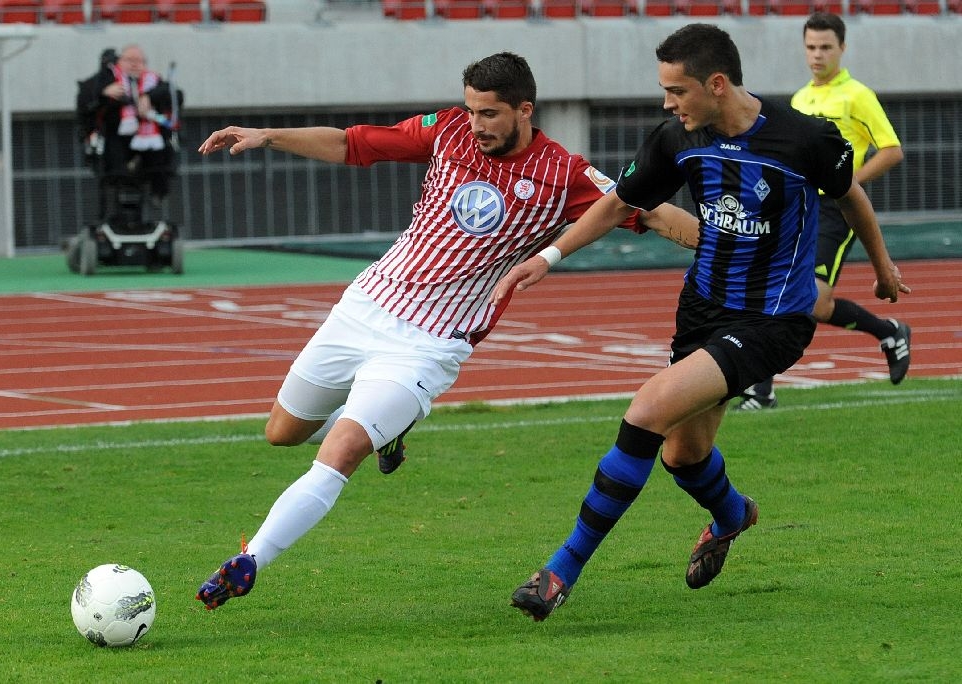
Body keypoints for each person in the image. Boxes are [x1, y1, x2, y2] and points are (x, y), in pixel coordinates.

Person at [192, 51, 700, 611]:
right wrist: (268, 135)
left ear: (524, 109)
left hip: (430, 344)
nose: (476, 124)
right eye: (471, 109)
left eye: (489, 114)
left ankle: (250, 560)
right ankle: (389, 428)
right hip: (364, 308)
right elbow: (354, 144)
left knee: (341, 452)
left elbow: (649, 212)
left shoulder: (565, 175)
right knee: (282, 432)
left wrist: (734, 241)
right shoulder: (448, 129)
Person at [494, 24, 909, 622]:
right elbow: (620, 202)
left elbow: (850, 197)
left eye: (677, 90)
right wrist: (548, 257)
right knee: (683, 456)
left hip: (773, 319)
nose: (668, 102)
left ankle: (560, 569)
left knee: (645, 413)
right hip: (702, 311)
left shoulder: (805, 138)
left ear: (717, 84)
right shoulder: (677, 138)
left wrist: (883, 267)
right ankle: (733, 514)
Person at [736, 12, 909, 411]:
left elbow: (892, 149)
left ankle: (889, 331)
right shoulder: (800, 98)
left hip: (836, 211)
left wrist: (848, 185)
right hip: (799, 207)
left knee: (812, 301)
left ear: (842, 49)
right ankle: (762, 391)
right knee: (782, 291)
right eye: (811, 47)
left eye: (826, 47)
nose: (817, 55)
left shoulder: (857, 95)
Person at [75, 44, 181, 222]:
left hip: (149, 144)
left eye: (138, 61)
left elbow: (175, 95)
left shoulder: (153, 80)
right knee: (112, 165)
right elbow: (86, 103)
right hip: (116, 141)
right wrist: (104, 94)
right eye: (129, 60)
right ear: (119, 62)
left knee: (160, 161)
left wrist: (149, 97)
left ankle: (157, 193)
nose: (134, 64)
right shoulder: (106, 80)